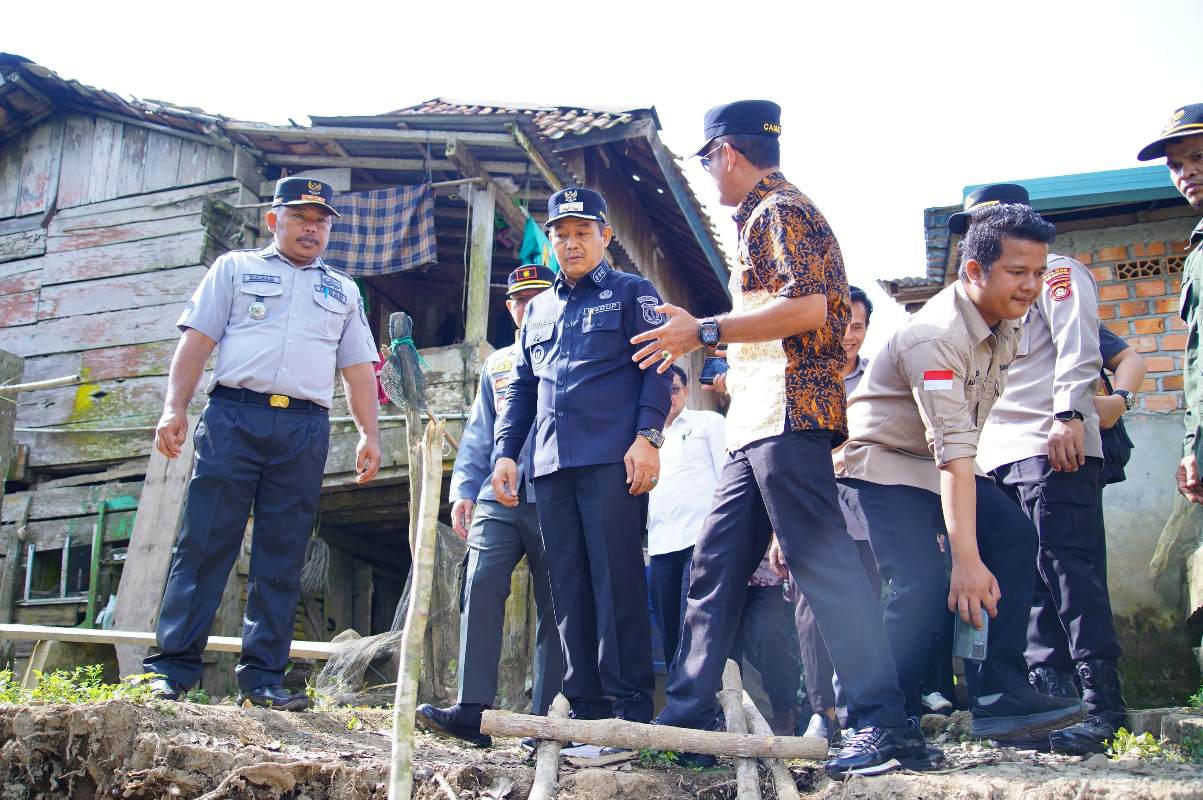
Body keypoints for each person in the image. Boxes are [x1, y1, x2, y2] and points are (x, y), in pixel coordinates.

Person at [631, 100, 916, 779]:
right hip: (756, 423)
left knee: (823, 566)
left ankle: (882, 722)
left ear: (726, 153)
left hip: (788, 417)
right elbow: (776, 316)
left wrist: (704, 330)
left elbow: (811, 308)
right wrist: (715, 337)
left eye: (708, 161)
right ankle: (688, 715)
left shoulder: (779, 211)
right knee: (713, 567)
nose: (709, 173)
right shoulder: (763, 216)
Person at [837, 185, 1085, 748]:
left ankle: (998, 692)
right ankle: (880, 718)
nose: (1031, 285)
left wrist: (973, 548)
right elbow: (952, 450)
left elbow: (959, 446)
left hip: (938, 462)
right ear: (975, 270)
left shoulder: (1007, 321)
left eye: (1038, 272)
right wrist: (966, 560)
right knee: (922, 581)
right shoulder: (934, 338)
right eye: (1017, 272)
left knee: (1015, 537)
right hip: (883, 464)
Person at [145, 177, 381, 709]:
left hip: (304, 428)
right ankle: (171, 671)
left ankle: (263, 681)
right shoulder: (233, 268)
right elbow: (197, 340)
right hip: (234, 416)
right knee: (204, 542)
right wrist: (174, 406)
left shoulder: (344, 291)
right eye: (300, 217)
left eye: (321, 221)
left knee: (284, 552)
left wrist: (369, 433)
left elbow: (357, 368)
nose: (312, 229)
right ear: (274, 220)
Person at [491, 187, 671, 726]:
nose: (571, 244)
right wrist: (506, 453)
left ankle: (628, 706)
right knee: (567, 588)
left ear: (605, 236)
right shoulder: (538, 309)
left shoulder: (631, 293)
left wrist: (648, 438)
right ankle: (586, 708)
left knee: (617, 583)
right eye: (562, 234)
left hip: (612, 462)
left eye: (582, 233)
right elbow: (522, 389)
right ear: (551, 241)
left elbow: (657, 370)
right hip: (549, 468)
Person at [977, 234, 1128, 754]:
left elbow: (1079, 344)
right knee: (1029, 582)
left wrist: (1069, 414)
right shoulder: (988, 291)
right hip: (999, 456)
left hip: (1052, 444)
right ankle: (1056, 705)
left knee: (1069, 572)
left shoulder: (1056, 271)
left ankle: (1103, 707)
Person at [415, 265, 562, 747]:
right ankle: (471, 709)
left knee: (556, 605)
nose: (529, 306)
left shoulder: (571, 349)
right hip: (497, 496)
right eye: (521, 300)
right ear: (510, 307)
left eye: (538, 297)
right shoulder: (497, 364)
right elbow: (481, 429)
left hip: (554, 493)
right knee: (478, 584)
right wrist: (463, 488)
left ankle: (546, 720)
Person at [778, 285, 885, 743]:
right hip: (811, 512)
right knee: (810, 610)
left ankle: (863, 707)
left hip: (867, 512)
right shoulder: (799, 379)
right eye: (841, 325)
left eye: (857, 326)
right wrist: (776, 532)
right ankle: (822, 711)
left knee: (867, 606)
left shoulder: (880, 379)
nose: (848, 335)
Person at [1136, 104, 1203, 503]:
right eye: (1176, 165)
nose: (1187, 173)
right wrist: (1194, 446)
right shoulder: (1197, 253)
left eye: (1198, 157)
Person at [647, 364, 727, 676]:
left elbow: (726, 479)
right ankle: (676, 699)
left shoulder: (708, 423)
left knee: (693, 628)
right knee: (668, 633)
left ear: (686, 390)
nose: (668, 397)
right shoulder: (645, 440)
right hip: (660, 544)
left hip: (700, 541)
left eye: (674, 389)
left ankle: (699, 699)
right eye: (660, 391)